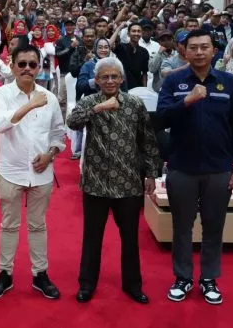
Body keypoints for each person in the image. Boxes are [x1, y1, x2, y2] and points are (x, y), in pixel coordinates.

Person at [157, 29, 233, 305]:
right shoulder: (173, 81)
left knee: (214, 226)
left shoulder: (228, 83)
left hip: (219, 167)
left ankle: (209, 278)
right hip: (182, 166)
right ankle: (182, 277)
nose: (199, 52)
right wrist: (186, 101)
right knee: (182, 226)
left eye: (204, 47)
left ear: (214, 51)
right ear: (184, 51)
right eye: (193, 47)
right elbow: (161, 119)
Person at [67, 57, 160, 304]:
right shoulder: (89, 102)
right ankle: (87, 285)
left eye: (114, 77)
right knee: (92, 237)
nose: (109, 81)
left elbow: (147, 140)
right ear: (97, 80)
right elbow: (72, 123)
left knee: (130, 239)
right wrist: (98, 109)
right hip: (96, 182)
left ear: (121, 79)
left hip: (128, 182)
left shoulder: (134, 104)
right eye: (104, 77)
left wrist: (151, 173)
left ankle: (133, 285)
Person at [0, 45, 66, 300]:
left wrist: (50, 155)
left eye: (33, 65)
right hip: (10, 171)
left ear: (39, 68)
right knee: (9, 225)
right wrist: (31, 105)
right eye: (22, 64)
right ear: (12, 66)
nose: (27, 69)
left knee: (38, 225)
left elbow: (58, 133)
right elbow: (0, 125)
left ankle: (40, 274)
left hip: (41, 172)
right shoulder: (1, 94)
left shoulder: (49, 97)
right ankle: (5, 273)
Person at [110, 23, 149, 90]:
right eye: (134, 31)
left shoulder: (144, 51)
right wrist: (118, 29)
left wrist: (145, 89)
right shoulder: (122, 47)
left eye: (138, 31)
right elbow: (109, 45)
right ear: (128, 34)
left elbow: (144, 73)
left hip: (138, 88)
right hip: (123, 87)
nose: (136, 33)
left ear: (141, 34)